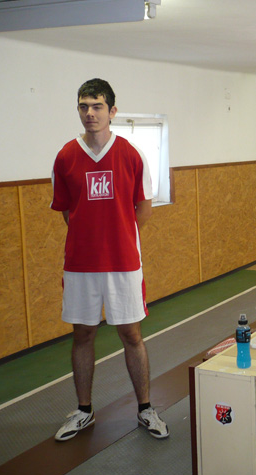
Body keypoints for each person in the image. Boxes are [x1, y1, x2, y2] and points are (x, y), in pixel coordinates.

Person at [51, 78, 169, 441]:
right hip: (80, 266)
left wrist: (117, 236)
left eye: (97, 106)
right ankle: (84, 411)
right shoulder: (65, 156)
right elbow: (67, 211)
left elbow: (143, 209)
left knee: (131, 334)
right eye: (84, 106)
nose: (90, 113)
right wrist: (91, 237)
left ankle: (145, 408)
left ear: (112, 111)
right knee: (83, 334)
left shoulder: (131, 154)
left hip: (123, 263)